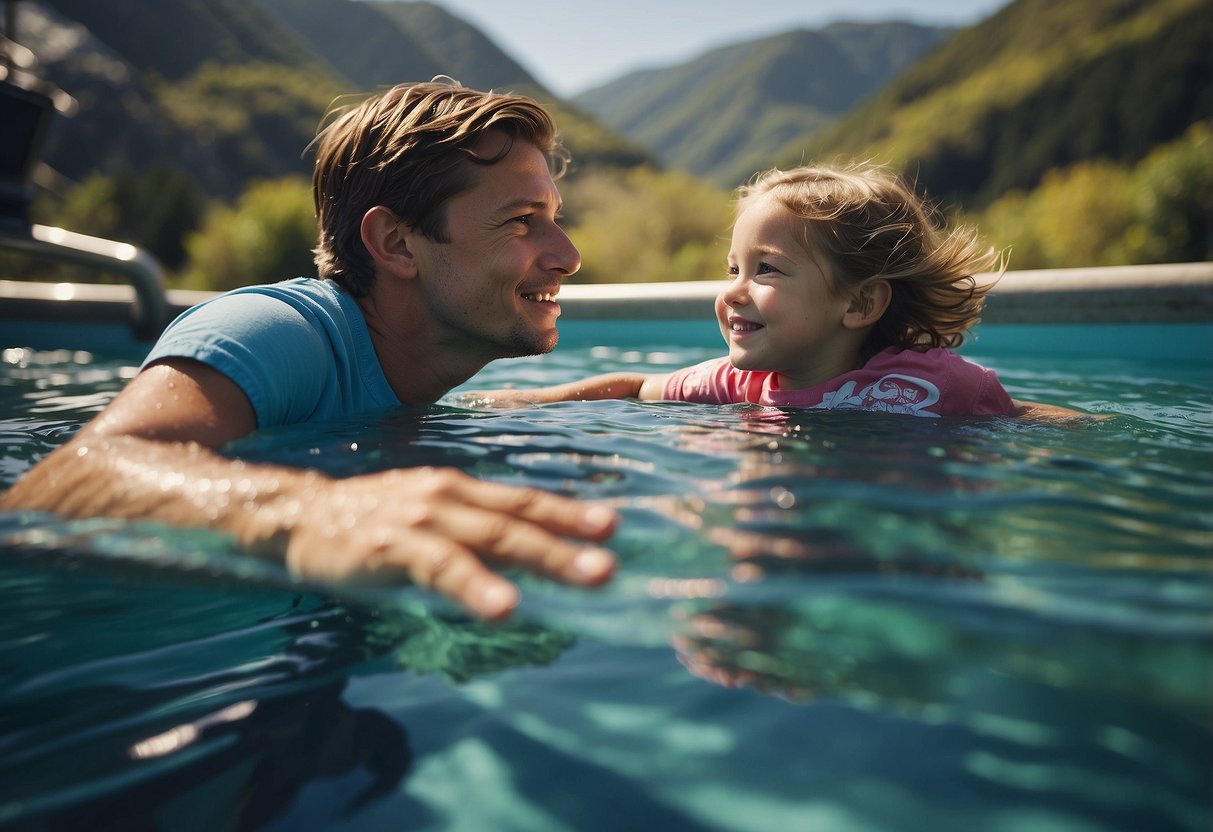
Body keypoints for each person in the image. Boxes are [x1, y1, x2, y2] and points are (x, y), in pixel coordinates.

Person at [0, 79, 619, 620]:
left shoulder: (398, 371)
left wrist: (525, 406)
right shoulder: (274, 328)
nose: (568, 255)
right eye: (521, 220)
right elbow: (68, 478)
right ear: (398, 243)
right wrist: (315, 512)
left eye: (554, 218)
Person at [468, 162, 1076, 419]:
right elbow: (632, 386)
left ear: (861, 303)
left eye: (767, 271)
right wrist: (525, 400)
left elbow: (1025, 420)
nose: (734, 292)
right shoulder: (738, 385)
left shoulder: (927, 388)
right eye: (733, 268)